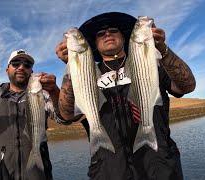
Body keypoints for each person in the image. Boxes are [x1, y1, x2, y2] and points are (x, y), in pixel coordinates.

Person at [55, 12, 196, 180]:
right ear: (95, 43)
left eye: (113, 30)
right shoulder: (87, 74)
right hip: (108, 171)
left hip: (161, 166)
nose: (107, 34)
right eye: (100, 34)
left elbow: (187, 86)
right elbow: (67, 114)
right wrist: (73, 67)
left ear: (124, 37)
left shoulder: (149, 64)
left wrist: (163, 50)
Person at [0, 49, 68, 180]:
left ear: (31, 72)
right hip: (0, 173)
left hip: (38, 174)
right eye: (16, 63)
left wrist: (55, 91)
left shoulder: (43, 95)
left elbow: (64, 119)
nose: (21, 67)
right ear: (7, 70)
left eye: (27, 65)